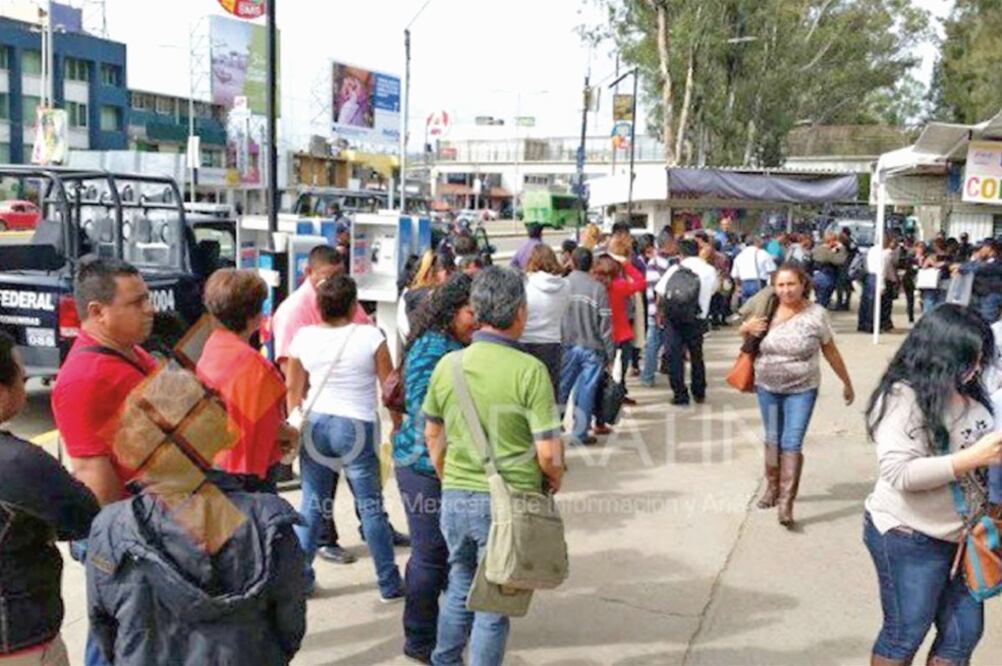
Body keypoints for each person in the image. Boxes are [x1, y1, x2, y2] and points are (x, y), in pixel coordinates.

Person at [85, 367, 306, 666]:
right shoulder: (266, 522)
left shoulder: (110, 527)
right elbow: (289, 625)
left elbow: (104, 628)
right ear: (214, 430)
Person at [423, 267, 565, 666]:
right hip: (509, 504)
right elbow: (548, 454)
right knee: (494, 603)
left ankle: (444, 660)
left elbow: (433, 435)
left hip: (455, 496)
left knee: (460, 585)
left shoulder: (448, 365)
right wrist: (554, 478)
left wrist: (449, 476)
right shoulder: (529, 371)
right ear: (519, 312)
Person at [863, 304, 1002, 665]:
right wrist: (972, 457)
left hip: (963, 537)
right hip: (909, 535)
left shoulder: (972, 391)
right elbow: (900, 473)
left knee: (963, 633)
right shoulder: (902, 398)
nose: (976, 368)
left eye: (981, 358)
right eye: (968, 359)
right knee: (905, 633)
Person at [271, 245, 392, 566]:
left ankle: (302, 573)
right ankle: (384, 577)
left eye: (339, 275)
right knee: (354, 502)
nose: (333, 282)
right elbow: (290, 377)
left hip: (323, 420)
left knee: (318, 501)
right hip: (343, 420)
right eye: (328, 276)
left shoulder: (314, 329)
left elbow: (292, 384)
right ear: (308, 273)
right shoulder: (293, 312)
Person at [285, 276, 404, 600]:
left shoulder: (303, 337)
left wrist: (294, 423)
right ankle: (389, 583)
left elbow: (294, 389)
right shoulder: (370, 336)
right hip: (356, 426)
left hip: (316, 423)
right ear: (353, 306)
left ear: (319, 306)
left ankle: (299, 581)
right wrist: (397, 425)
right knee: (370, 506)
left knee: (312, 504)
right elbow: (390, 389)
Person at [0, 331, 99, 666]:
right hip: (20, 640)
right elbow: (83, 515)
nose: (25, 380)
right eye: (20, 375)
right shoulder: (19, 463)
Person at [392, 274, 476, 664]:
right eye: (471, 312)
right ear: (452, 311)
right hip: (423, 466)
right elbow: (426, 413)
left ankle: (444, 628)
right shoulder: (432, 348)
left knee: (446, 555)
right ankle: (419, 639)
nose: (476, 320)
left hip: (447, 464)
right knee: (430, 555)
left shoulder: (458, 345)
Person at [740, 263, 854, 527]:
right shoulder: (767, 309)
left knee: (791, 442)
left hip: (802, 389)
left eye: (791, 284)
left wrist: (846, 382)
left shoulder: (817, 314)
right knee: (772, 438)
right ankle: (772, 487)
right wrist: (745, 328)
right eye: (780, 285)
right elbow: (745, 336)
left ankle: (786, 503)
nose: (786, 290)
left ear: (803, 284)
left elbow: (830, 350)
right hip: (767, 387)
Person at [197, 269, 297, 493]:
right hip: (247, 473)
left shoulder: (211, 347)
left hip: (213, 461)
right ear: (255, 316)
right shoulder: (256, 367)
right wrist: (293, 434)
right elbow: (271, 425)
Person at [560, 248, 615, 445]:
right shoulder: (597, 289)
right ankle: (579, 433)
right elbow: (605, 325)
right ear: (591, 265)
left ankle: (550, 429)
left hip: (567, 345)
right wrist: (610, 353)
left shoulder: (563, 285)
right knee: (586, 391)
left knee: (562, 388)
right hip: (592, 348)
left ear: (572, 263)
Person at [655, 239, 717, 406]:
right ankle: (699, 391)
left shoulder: (675, 268)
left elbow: (660, 291)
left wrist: (660, 313)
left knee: (675, 356)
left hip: (674, 318)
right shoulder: (709, 270)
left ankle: (680, 395)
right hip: (697, 318)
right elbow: (713, 291)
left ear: (681, 254)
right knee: (696, 355)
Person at [520, 245, 571, 397]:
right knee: (549, 392)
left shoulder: (525, 283)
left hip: (525, 340)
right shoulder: (566, 285)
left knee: (525, 390)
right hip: (552, 341)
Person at [593, 251, 645, 398]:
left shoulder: (594, 288)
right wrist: (626, 265)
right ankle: (618, 397)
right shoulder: (620, 286)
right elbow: (641, 282)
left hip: (600, 336)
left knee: (600, 373)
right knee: (619, 373)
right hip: (622, 335)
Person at [640, 232, 676, 386]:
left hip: (658, 311)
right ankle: (647, 376)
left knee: (655, 344)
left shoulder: (662, 262)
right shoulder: (659, 263)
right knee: (653, 345)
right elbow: (657, 291)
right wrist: (659, 312)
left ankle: (649, 375)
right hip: (658, 312)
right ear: (667, 244)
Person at [859, 235, 898, 333]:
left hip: (869, 276)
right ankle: (873, 326)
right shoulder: (886, 253)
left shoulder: (872, 250)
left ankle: (864, 324)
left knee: (867, 303)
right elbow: (882, 270)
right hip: (878, 277)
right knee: (876, 304)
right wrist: (883, 285)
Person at [731, 236, 775, 305]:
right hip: (759, 283)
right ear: (756, 242)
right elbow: (772, 271)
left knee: (746, 307)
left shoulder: (739, 256)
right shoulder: (763, 254)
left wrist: (738, 286)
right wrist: (771, 286)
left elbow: (735, 275)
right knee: (760, 307)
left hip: (744, 284)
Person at [811, 231, 847, 309]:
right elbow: (839, 260)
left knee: (821, 298)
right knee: (822, 301)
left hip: (819, 276)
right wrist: (839, 248)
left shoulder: (819, 248)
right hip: (825, 277)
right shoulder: (824, 249)